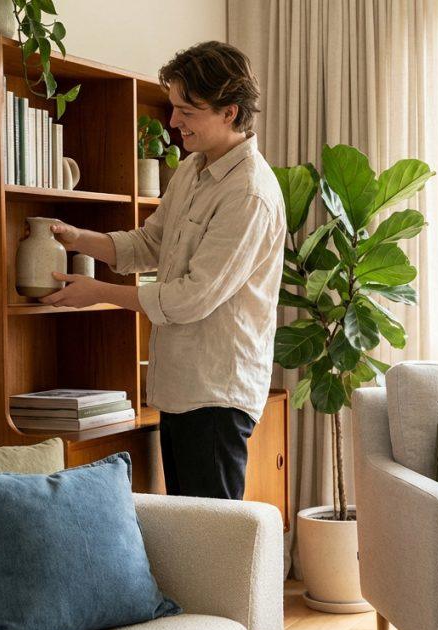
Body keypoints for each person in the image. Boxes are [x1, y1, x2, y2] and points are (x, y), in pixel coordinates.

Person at [38, 41, 286, 501]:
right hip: (178, 389)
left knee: (213, 543)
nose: (173, 123)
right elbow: (151, 243)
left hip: (216, 395)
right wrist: (79, 238)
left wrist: (101, 292)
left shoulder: (248, 194)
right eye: (174, 108)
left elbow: (191, 297)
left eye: (187, 111)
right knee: (190, 536)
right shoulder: (193, 170)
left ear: (229, 112)